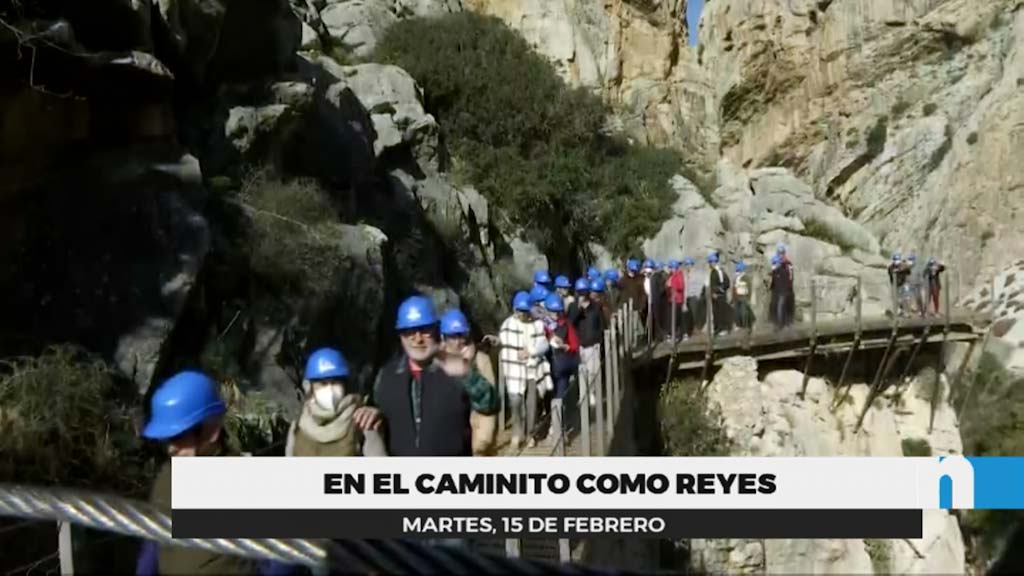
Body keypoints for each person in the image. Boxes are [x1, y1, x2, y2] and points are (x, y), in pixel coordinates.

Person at [137, 371, 296, 575]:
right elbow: (151, 547)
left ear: (211, 431)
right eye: (167, 439)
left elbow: (283, 556)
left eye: (178, 436)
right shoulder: (167, 477)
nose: (171, 448)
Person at [367, 296, 498, 457]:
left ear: (436, 331)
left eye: (424, 331)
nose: (418, 339)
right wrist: (372, 412)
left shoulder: (455, 368)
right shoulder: (386, 375)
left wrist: (467, 374)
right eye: (409, 332)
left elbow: (490, 404)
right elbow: (379, 413)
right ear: (400, 336)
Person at [285, 348, 387, 457]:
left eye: (335, 382)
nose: (330, 390)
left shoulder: (362, 423)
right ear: (310, 388)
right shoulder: (298, 429)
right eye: (323, 384)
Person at [439, 308, 499, 456]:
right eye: (453, 337)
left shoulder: (480, 360)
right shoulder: (435, 363)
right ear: (443, 338)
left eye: (462, 335)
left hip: (476, 444)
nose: (459, 341)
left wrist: (482, 441)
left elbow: (490, 403)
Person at [496, 291, 549, 450]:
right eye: (519, 311)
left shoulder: (538, 324)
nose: (522, 315)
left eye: (525, 312)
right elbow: (503, 341)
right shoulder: (507, 324)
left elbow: (544, 344)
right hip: (513, 370)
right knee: (515, 402)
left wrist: (531, 351)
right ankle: (517, 432)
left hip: (532, 369)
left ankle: (531, 434)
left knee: (531, 403)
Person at [542, 292, 580, 445]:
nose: (556, 315)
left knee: (560, 398)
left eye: (558, 312)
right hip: (544, 369)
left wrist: (567, 347)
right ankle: (545, 428)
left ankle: (557, 429)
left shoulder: (566, 324)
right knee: (546, 400)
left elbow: (575, 345)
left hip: (560, 367)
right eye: (553, 312)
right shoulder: (541, 325)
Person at [574, 278, 608, 415]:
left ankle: (592, 393)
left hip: (593, 344)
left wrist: (599, 339)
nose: (582, 294)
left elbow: (601, 323)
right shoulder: (573, 308)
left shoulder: (595, 307)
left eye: (584, 292)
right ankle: (583, 395)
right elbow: (570, 323)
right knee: (582, 373)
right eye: (580, 292)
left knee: (594, 371)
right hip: (580, 345)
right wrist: (578, 310)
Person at [619, 259, 647, 336]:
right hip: (626, 307)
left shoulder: (639, 279)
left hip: (636, 307)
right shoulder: (623, 280)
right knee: (627, 328)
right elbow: (618, 293)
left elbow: (643, 293)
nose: (633, 272)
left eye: (634, 270)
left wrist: (642, 305)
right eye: (631, 270)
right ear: (628, 269)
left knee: (637, 328)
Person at [707, 251, 732, 336]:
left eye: (711, 262)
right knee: (716, 313)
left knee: (721, 312)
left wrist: (718, 291)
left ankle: (723, 328)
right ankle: (717, 328)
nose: (710, 264)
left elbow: (725, 283)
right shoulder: (713, 271)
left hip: (720, 296)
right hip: (715, 296)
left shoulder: (719, 271)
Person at [683, 257, 705, 337]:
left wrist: (698, 294)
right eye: (686, 265)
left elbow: (700, 284)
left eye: (689, 264)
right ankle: (691, 329)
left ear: (692, 265)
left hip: (694, 296)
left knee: (695, 313)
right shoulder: (685, 274)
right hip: (687, 296)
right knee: (688, 314)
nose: (688, 266)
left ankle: (697, 328)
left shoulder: (697, 274)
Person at [665, 260, 686, 342]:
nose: (670, 269)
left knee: (676, 318)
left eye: (671, 268)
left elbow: (681, 287)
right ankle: (672, 334)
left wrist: (672, 285)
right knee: (671, 318)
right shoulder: (671, 275)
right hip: (671, 299)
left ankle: (677, 335)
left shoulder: (679, 275)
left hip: (677, 300)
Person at [733, 261, 755, 331]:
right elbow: (734, 288)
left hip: (744, 296)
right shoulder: (736, 278)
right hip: (737, 296)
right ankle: (739, 325)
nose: (737, 271)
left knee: (744, 312)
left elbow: (749, 287)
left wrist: (749, 297)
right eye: (737, 270)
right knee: (737, 312)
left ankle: (746, 325)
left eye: (738, 270)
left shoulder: (746, 277)